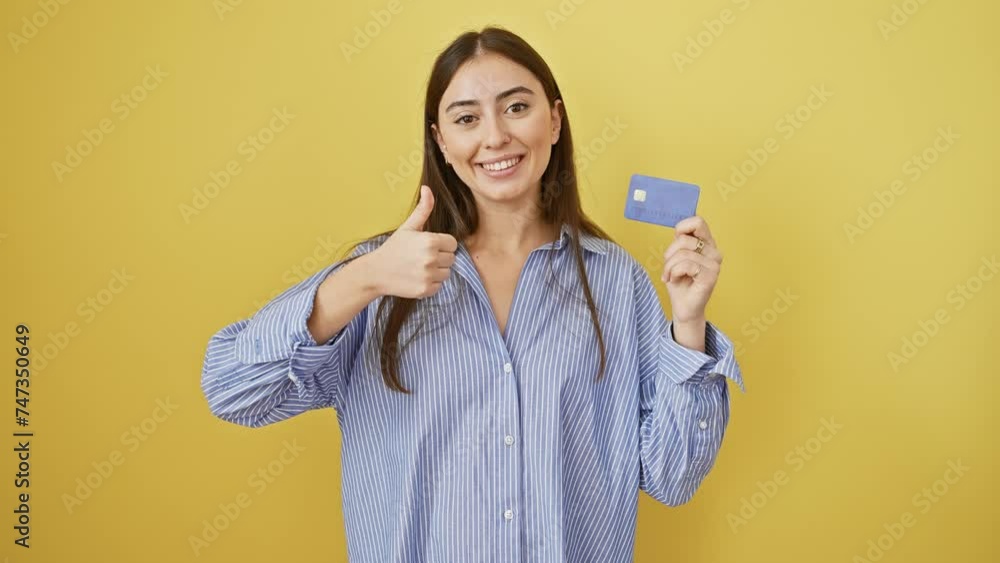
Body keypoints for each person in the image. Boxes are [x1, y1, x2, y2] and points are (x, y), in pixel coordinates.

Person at [201, 25, 745, 563]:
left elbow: (672, 478)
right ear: (441, 140)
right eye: (466, 118)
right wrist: (363, 278)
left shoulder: (616, 282)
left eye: (515, 108)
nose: (495, 137)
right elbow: (233, 391)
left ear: (554, 120)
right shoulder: (381, 278)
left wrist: (689, 323)